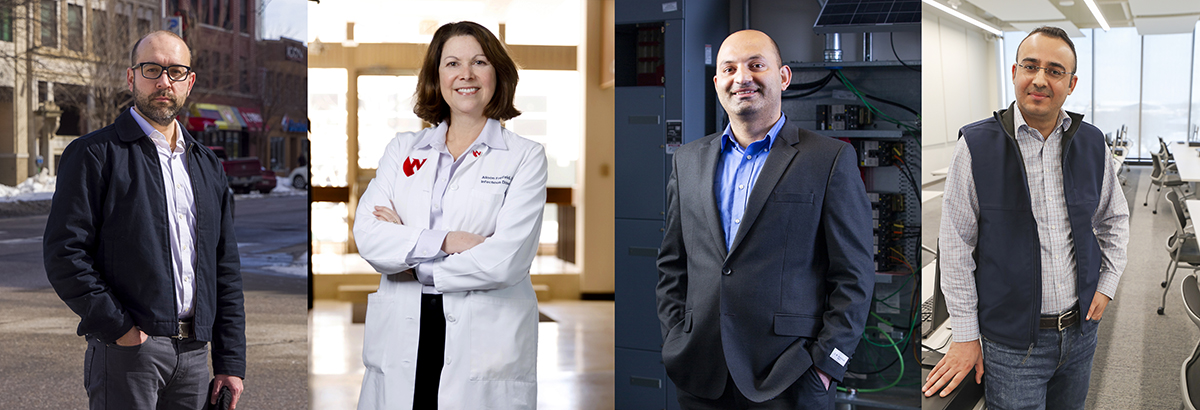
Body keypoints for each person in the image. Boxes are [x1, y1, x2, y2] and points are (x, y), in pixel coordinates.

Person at [655, 29, 875, 409]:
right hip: (701, 375)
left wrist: (826, 366)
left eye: (756, 65)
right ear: (717, 82)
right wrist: (676, 338)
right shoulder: (688, 161)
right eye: (729, 69)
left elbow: (854, 275)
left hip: (789, 376)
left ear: (783, 76)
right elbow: (673, 265)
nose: (742, 78)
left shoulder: (827, 159)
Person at [922, 26, 1129, 409]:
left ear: (1071, 83)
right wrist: (966, 336)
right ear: (1015, 71)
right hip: (1012, 346)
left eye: (1054, 70)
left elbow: (1113, 218)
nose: (1039, 79)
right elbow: (955, 246)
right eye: (1030, 66)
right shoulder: (976, 145)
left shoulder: (1092, 143)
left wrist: (1107, 282)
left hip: (1080, 333)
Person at [43, 30, 246, 409]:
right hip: (128, 355)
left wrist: (230, 361)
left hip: (195, 359)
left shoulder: (206, 165)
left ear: (190, 82)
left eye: (176, 71)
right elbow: (65, 254)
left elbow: (225, 268)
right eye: (152, 69)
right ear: (131, 76)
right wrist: (119, 329)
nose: (164, 81)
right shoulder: (94, 154)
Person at [352, 21, 547, 410]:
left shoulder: (525, 157)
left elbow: (506, 261)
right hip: (403, 330)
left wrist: (413, 258)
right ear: (436, 76)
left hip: (484, 340)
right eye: (452, 63)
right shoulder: (402, 149)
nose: (466, 75)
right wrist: (448, 242)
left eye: (479, 62)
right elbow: (369, 236)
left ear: (498, 74)